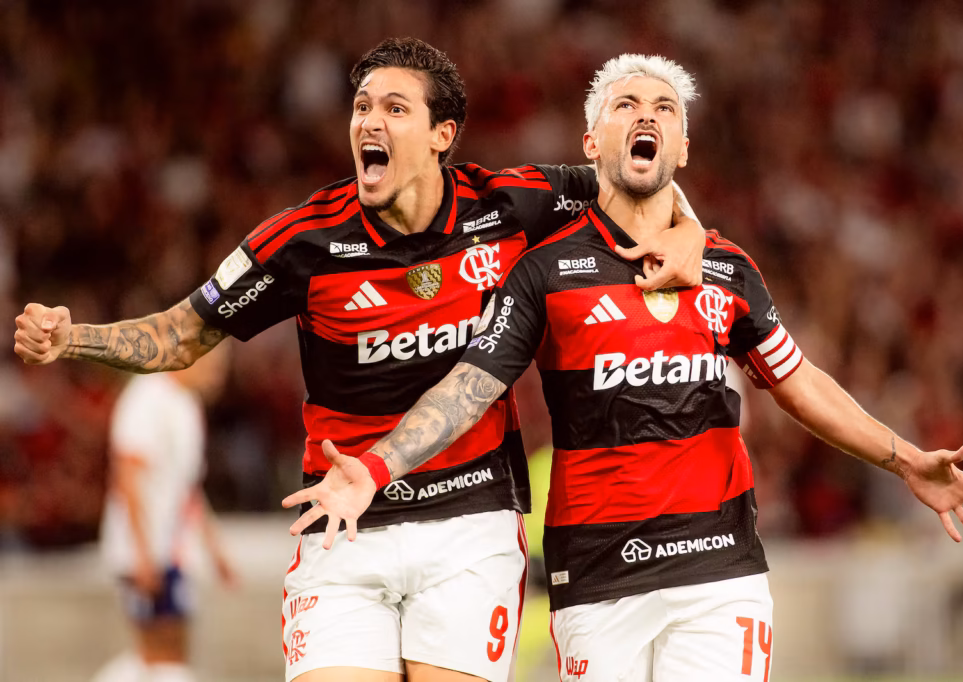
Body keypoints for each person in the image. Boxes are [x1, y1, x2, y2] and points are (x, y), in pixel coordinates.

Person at [284, 54, 963, 682]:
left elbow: (799, 382)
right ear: (591, 141)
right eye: (625, 104)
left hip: (718, 569)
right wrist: (377, 467)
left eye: (665, 108)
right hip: (598, 575)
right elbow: (472, 386)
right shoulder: (543, 273)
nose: (646, 115)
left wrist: (904, 459)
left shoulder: (727, 269)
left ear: (683, 147)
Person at [13, 38, 706, 682]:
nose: (370, 121)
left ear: (442, 135)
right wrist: (73, 339)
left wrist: (691, 232)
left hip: (470, 522)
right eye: (362, 107)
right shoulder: (301, 242)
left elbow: (635, 179)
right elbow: (182, 334)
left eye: (395, 109)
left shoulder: (510, 205)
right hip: (343, 524)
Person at [91, 345, 235, 682]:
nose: (218, 376)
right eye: (213, 366)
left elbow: (188, 488)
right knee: (161, 647)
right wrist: (142, 553)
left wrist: (215, 549)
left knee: (169, 645)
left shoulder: (186, 404)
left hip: (173, 549)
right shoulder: (147, 396)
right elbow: (128, 475)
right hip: (147, 547)